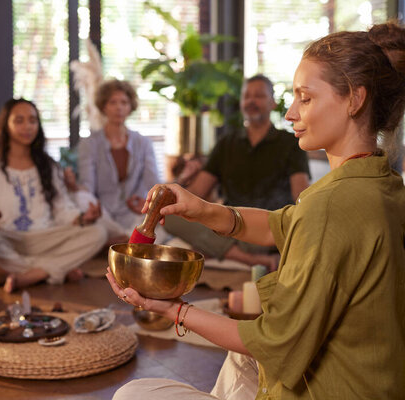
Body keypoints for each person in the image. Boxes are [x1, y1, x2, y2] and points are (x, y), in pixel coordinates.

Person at [108, 22, 405, 399]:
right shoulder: (384, 184)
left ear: (354, 99)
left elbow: (276, 342)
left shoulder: (332, 205)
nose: (291, 113)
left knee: (133, 394)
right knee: (240, 360)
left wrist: (172, 310)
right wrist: (200, 208)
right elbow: (284, 224)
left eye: (306, 98)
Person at [0, 98, 107, 293]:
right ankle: (55, 270)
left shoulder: (48, 166)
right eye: (19, 121)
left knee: (97, 232)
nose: (27, 126)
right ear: (5, 125)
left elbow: (62, 211)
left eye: (32, 120)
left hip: (43, 239)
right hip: (5, 239)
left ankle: (24, 274)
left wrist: (83, 218)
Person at [165, 75, 310, 270]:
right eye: (246, 96)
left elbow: (300, 194)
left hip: (269, 232)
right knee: (170, 217)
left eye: (258, 95)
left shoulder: (290, 143)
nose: (251, 101)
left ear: (272, 102)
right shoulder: (227, 143)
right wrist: (178, 183)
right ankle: (249, 260)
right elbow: (197, 191)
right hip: (230, 226)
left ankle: (224, 251)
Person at [77, 79, 165, 242]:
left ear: (130, 106)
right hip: (104, 214)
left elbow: (153, 183)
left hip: (134, 213)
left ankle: (120, 241)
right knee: (82, 199)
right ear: (103, 106)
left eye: (124, 102)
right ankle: (126, 241)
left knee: (161, 220)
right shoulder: (89, 144)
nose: (119, 107)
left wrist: (146, 203)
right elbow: (87, 186)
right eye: (113, 102)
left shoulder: (143, 143)